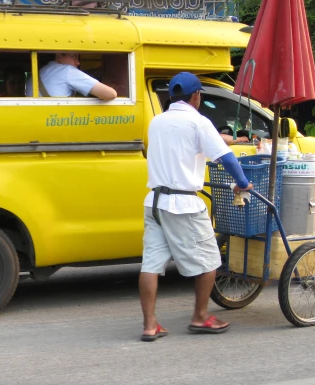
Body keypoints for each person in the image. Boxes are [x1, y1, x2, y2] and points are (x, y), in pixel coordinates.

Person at [139, 72, 253, 342]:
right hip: (183, 204)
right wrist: (243, 183)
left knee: (151, 265)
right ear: (195, 96)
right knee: (210, 260)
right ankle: (200, 316)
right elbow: (226, 158)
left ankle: (150, 325)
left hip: (155, 202)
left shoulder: (157, 122)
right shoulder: (198, 122)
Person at [26, 52, 117, 100]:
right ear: (59, 56)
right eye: (74, 56)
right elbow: (110, 94)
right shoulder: (67, 70)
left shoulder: (42, 71)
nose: (78, 62)